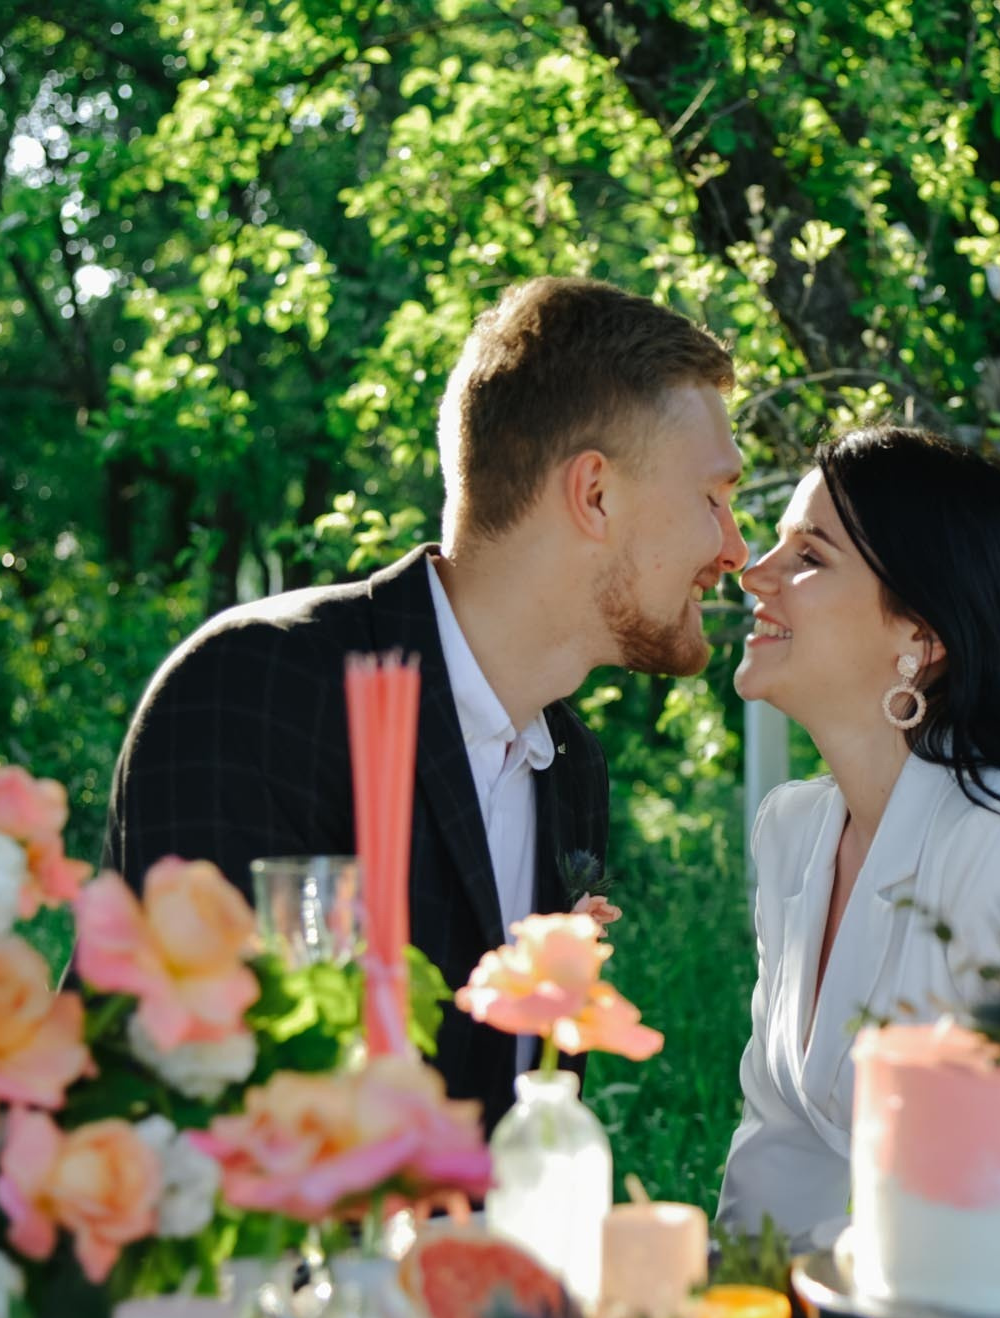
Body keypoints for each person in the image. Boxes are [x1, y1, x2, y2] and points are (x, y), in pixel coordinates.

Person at [103, 277, 749, 1128]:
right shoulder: (258, 688)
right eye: (714, 497)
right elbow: (193, 1108)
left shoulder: (570, 768)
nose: (735, 549)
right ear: (595, 494)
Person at [714, 425, 1000, 1247]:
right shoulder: (792, 831)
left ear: (920, 638)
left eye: (808, 556)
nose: (755, 573)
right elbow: (779, 1141)